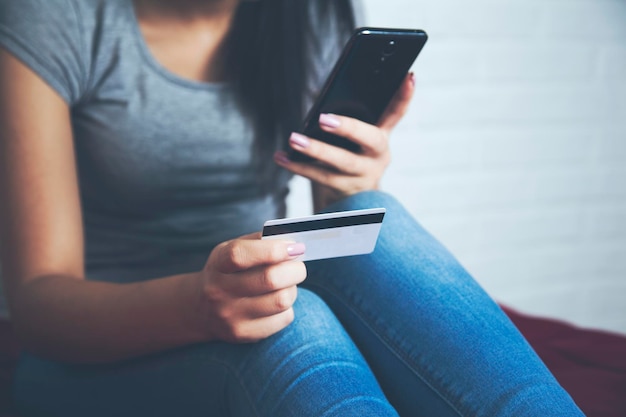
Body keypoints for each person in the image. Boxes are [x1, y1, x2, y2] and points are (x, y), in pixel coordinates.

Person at [0, 0, 584, 416]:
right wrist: (200, 307)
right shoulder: (57, 16)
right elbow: (37, 307)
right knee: (292, 323)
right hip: (102, 345)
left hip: (262, 292)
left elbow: (335, 246)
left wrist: (352, 182)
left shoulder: (311, 13)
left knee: (371, 218)